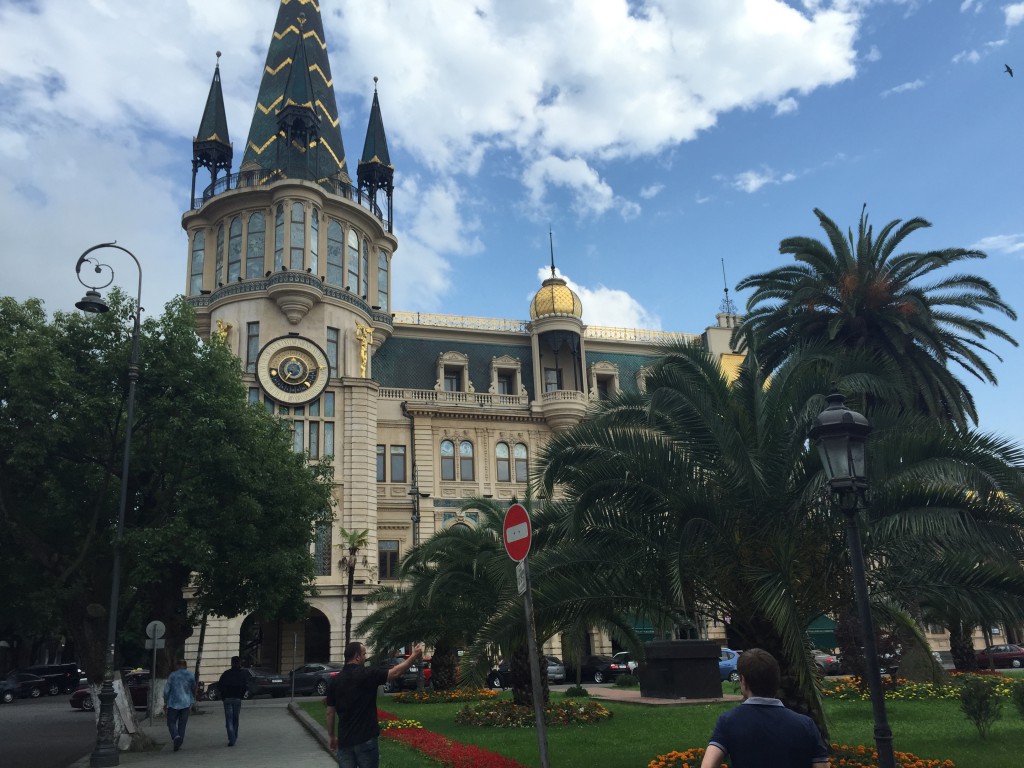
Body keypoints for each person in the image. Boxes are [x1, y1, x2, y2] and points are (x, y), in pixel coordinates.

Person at [700, 648, 829, 768]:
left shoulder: (728, 722)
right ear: (776, 680)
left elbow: (708, 765)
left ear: (743, 681)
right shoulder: (806, 725)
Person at [325, 642, 423, 768]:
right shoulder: (368, 674)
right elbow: (394, 673)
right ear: (357, 657)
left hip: (345, 741)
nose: (366, 657)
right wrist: (414, 655)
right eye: (364, 654)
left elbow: (330, 712)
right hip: (366, 738)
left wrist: (332, 736)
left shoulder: (334, 681)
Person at [163, 659, 197, 752]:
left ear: (177, 665)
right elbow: (194, 687)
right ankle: (179, 741)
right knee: (182, 724)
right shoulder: (190, 675)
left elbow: (166, 691)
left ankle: (176, 736)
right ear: (185, 666)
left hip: (173, 703)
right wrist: (193, 699)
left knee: (171, 722)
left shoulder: (172, 675)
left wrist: (165, 702)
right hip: (186, 703)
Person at [217, 656, 248, 746]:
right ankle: (234, 736)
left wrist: (223, 696)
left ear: (231, 663)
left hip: (227, 699)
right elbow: (245, 686)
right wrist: (241, 695)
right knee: (235, 719)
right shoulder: (242, 674)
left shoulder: (226, 674)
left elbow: (220, 686)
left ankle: (232, 738)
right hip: (237, 698)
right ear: (239, 663)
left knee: (229, 719)